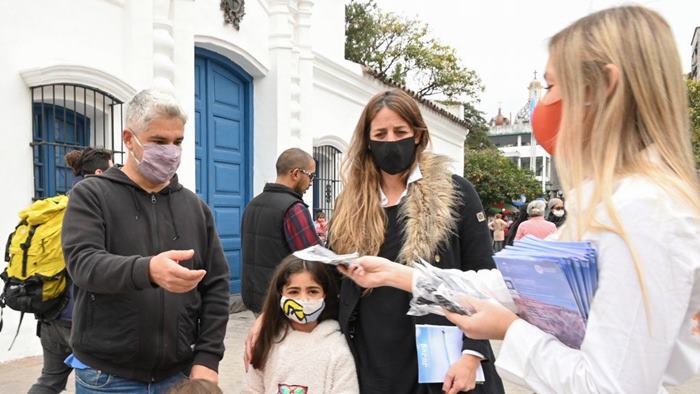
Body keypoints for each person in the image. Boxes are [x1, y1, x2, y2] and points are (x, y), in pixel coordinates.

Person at [340, 6, 700, 392]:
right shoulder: (608, 202)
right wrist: (398, 274)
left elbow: (610, 386)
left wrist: (510, 331)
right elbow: (513, 287)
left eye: (551, 87)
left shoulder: (643, 212)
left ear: (602, 89)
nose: (544, 106)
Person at [327, 89, 504, 393]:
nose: (391, 141)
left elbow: (483, 277)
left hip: (441, 352)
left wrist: (472, 356)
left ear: (418, 135)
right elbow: (330, 279)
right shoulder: (350, 204)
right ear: (368, 142)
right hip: (372, 355)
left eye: (400, 131)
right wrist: (271, 321)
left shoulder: (455, 194)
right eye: (381, 133)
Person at [61, 89, 231, 392]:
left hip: (177, 375)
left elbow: (216, 285)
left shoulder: (194, 207)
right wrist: (149, 270)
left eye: (177, 141)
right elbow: (83, 264)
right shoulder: (92, 195)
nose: (171, 151)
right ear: (129, 139)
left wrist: (208, 356)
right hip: (107, 377)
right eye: (159, 141)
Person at [27, 148, 112, 394]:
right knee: (94, 385)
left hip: (50, 314)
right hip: (83, 319)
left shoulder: (58, 206)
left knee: (49, 380)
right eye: (113, 167)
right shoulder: (95, 208)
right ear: (99, 172)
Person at [242, 256, 358, 393]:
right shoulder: (266, 342)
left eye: (312, 291)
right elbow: (251, 390)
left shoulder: (338, 349)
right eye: (294, 292)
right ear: (281, 294)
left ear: (324, 294)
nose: (303, 299)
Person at [241, 148, 320, 315]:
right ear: (296, 173)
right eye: (311, 176)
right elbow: (314, 257)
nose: (311, 182)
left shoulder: (252, 205)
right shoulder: (294, 209)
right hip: (283, 301)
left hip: (255, 298)